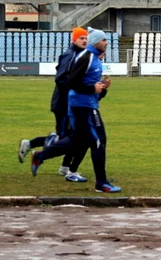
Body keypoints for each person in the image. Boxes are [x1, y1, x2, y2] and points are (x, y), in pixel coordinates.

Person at [31, 27, 120, 193]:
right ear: (96, 42)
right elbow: (71, 82)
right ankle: (101, 182)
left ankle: (40, 156)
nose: (106, 43)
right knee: (98, 142)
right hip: (82, 106)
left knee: (79, 140)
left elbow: (88, 85)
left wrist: (101, 88)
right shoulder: (85, 57)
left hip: (87, 104)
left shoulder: (93, 58)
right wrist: (92, 88)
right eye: (103, 40)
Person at [18, 27, 88, 181]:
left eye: (85, 38)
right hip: (64, 105)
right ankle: (32, 146)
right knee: (66, 138)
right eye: (81, 38)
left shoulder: (78, 55)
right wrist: (72, 94)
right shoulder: (70, 55)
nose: (84, 40)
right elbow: (60, 78)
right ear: (74, 40)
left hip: (70, 104)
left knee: (72, 136)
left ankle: (65, 167)